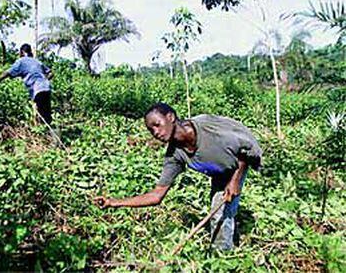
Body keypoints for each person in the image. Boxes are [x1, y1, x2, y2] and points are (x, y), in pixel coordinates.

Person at [94, 102, 262, 250]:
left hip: (239, 162)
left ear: (171, 117)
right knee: (219, 202)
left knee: (221, 211)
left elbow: (245, 149)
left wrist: (236, 180)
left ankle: (223, 258)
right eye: (151, 130)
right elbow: (156, 195)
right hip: (219, 169)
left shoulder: (207, 128)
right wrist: (113, 202)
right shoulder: (174, 155)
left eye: (157, 125)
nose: (156, 132)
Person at [0, 44, 54, 124]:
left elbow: (7, 73)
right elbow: (51, 73)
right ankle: (51, 133)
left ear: (22, 52)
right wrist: (45, 80)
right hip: (46, 87)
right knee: (47, 114)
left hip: (37, 89)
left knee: (39, 114)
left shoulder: (21, 61)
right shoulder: (37, 61)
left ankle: (41, 133)